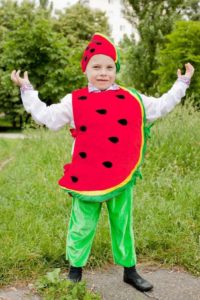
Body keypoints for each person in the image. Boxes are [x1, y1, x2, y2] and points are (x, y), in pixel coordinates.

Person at [11, 33, 194, 293]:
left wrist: (182, 83)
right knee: (82, 224)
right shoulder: (73, 100)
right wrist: (27, 91)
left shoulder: (133, 98)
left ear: (116, 69)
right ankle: (75, 270)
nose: (103, 72)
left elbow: (160, 107)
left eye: (109, 67)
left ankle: (130, 271)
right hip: (86, 176)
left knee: (123, 223)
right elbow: (47, 117)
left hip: (122, 174)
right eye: (96, 66)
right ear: (85, 69)